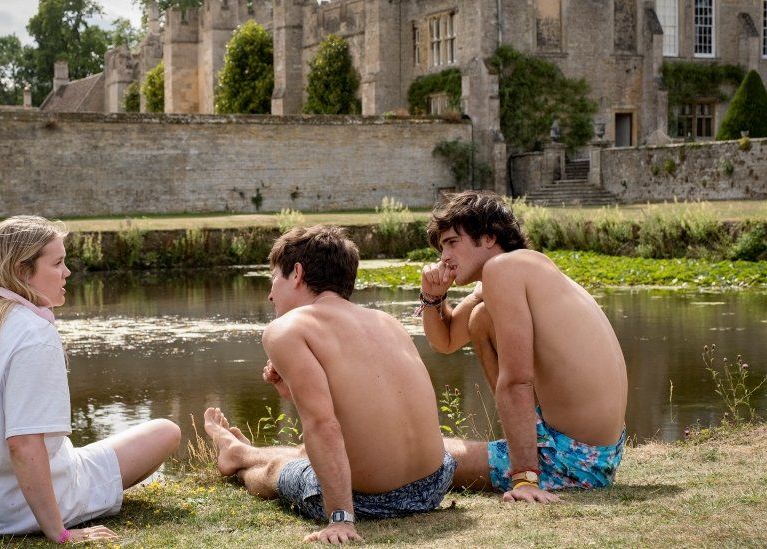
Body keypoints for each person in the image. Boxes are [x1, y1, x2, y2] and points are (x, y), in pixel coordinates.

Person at [0, 215, 181, 543]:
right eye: (57, 263)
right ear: (21, 271)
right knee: (166, 431)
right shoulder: (34, 333)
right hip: (10, 511)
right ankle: (57, 506)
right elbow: (23, 444)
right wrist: (59, 533)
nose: (67, 272)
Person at [204, 225, 455, 544]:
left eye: (274, 280)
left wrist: (341, 518)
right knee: (309, 453)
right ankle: (242, 450)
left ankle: (238, 458)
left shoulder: (286, 329)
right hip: (434, 484)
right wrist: (288, 391)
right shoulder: (386, 321)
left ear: (296, 273)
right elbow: (361, 417)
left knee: (278, 471)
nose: (270, 294)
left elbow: (323, 424)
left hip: (370, 502)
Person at [418, 191, 627, 504]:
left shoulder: (503, 270)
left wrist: (525, 479)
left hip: (569, 462)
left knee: (421, 456)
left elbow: (517, 380)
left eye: (451, 242)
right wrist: (433, 297)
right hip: (599, 456)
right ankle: (527, 448)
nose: (443, 256)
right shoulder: (522, 268)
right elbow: (445, 341)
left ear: (488, 237)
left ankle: (528, 466)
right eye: (441, 247)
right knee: (481, 319)